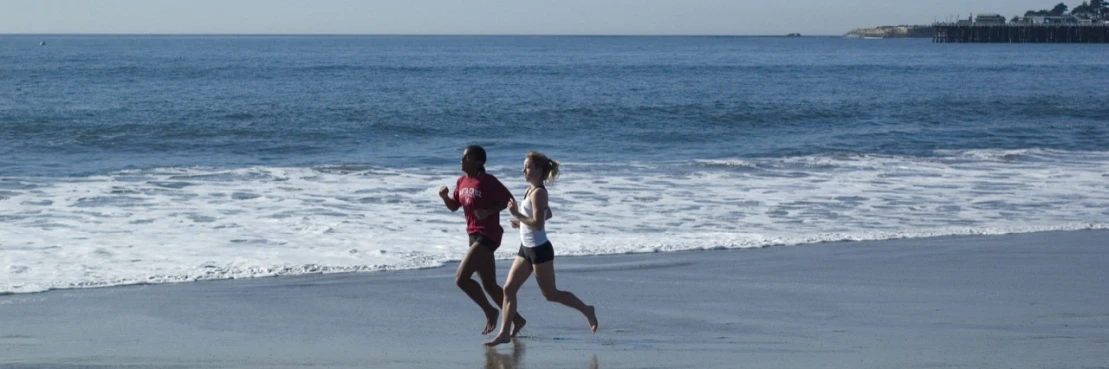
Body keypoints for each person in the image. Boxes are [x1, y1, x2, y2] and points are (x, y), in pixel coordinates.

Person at [485, 151, 598, 346]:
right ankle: (505, 333)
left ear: (538, 170)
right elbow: (548, 214)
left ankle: (587, 310)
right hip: (526, 249)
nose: (523, 170)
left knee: (551, 294)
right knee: (509, 289)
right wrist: (521, 224)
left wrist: (517, 215)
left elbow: (538, 224)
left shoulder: (539, 193)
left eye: (527, 167)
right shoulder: (530, 190)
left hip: (540, 251)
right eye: (524, 167)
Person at [439, 145, 527, 336]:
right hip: (473, 235)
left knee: (461, 279)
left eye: (467, 157)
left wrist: (487, 212)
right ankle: (517, 319)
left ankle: (490, 311)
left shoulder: (488, 181)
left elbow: (508, 200)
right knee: (489, 284)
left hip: (488, 235)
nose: (462, 160)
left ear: (478, 162)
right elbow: (454, 206)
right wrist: (445, 197)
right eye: (462, 157)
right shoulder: (461, 181)